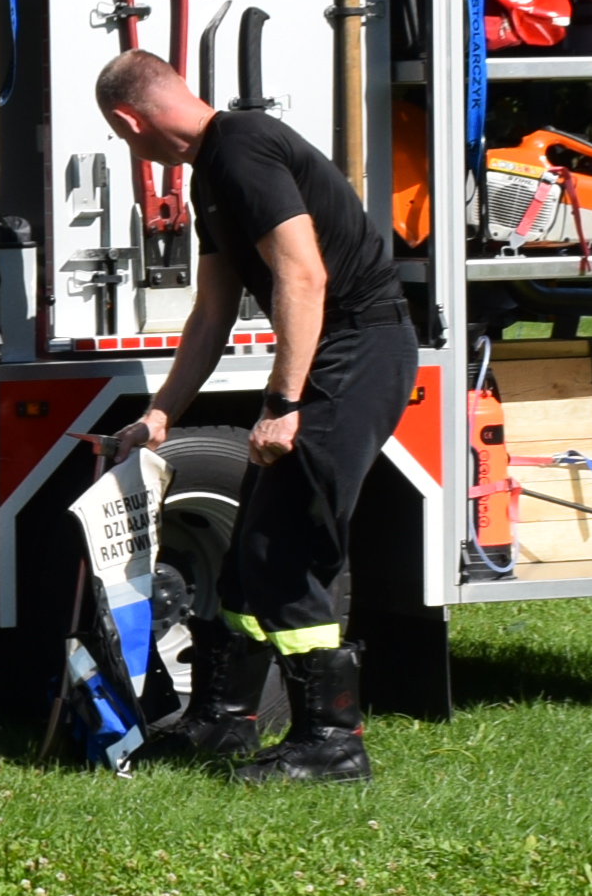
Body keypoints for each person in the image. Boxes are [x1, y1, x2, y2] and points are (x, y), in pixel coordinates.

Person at [97, 46, 410, 783]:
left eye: (120, 137)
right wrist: (162, 415)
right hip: (333, 356)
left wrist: (282, 405)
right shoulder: (214, 174)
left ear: (127, 119)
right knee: (247, 555)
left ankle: (334, 746)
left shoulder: (242, 148)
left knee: (290, 547)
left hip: (359, 353)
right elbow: (212, 312)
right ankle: (222, 722)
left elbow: (304, 273)